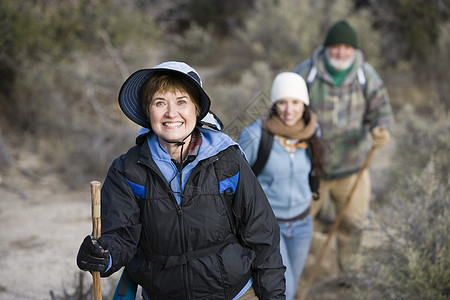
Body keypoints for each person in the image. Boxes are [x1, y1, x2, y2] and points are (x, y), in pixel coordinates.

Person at [76, 61, 286, 299]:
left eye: (181, 101)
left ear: (197, 109)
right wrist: (104, 254)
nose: (171, 113)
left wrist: (273, 296)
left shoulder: (229, 162)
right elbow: (121, 237)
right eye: (159, 103)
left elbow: (263, 237)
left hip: (235, 293)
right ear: (147, 111)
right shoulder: (127, 170)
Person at [293, 20, 394, 279]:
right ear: (327, 48)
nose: (340, 52)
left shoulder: (366, 76)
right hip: (309, 167)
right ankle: (289, 277)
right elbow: (287, 111)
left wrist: (381, 129)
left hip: (352, 169)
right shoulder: (306, 74)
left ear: (354, 49)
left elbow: (381, 110)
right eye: (336, 46)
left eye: (346, 47)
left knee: (353, 225)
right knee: (296, 224)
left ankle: (350, 279)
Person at [238, 72, 323, 300]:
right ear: (274, 104)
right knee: (284, 288)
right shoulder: (256, 136)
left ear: (304, 104)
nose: (289, 110)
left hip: (303, 223)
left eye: (295, 102)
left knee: (292, 284)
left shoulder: (313, 131)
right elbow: (233, 179)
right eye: (282, 102)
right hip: (268, 227)